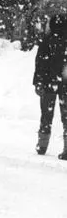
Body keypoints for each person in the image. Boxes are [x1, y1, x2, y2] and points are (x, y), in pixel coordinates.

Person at [32, 14, 67, 159]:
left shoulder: (47, 40)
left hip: (48, 83)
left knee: (46, 115)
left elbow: (40, 62)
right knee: (66, 117)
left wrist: (37, 82)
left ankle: (42, 145)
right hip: (66, 83)